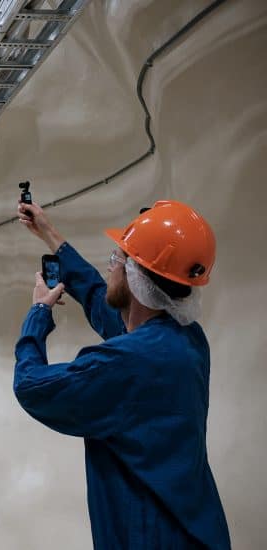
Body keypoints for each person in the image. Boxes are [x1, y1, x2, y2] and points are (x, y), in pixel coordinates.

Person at [14, 199, 230, 549]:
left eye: (117, 259)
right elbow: (104, 303)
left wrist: (38, 314)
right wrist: (50, 234)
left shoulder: (122, 364)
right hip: (198, 533)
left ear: (134, 279)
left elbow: (31, 386)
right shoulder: (188, 340)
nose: (111, 267)